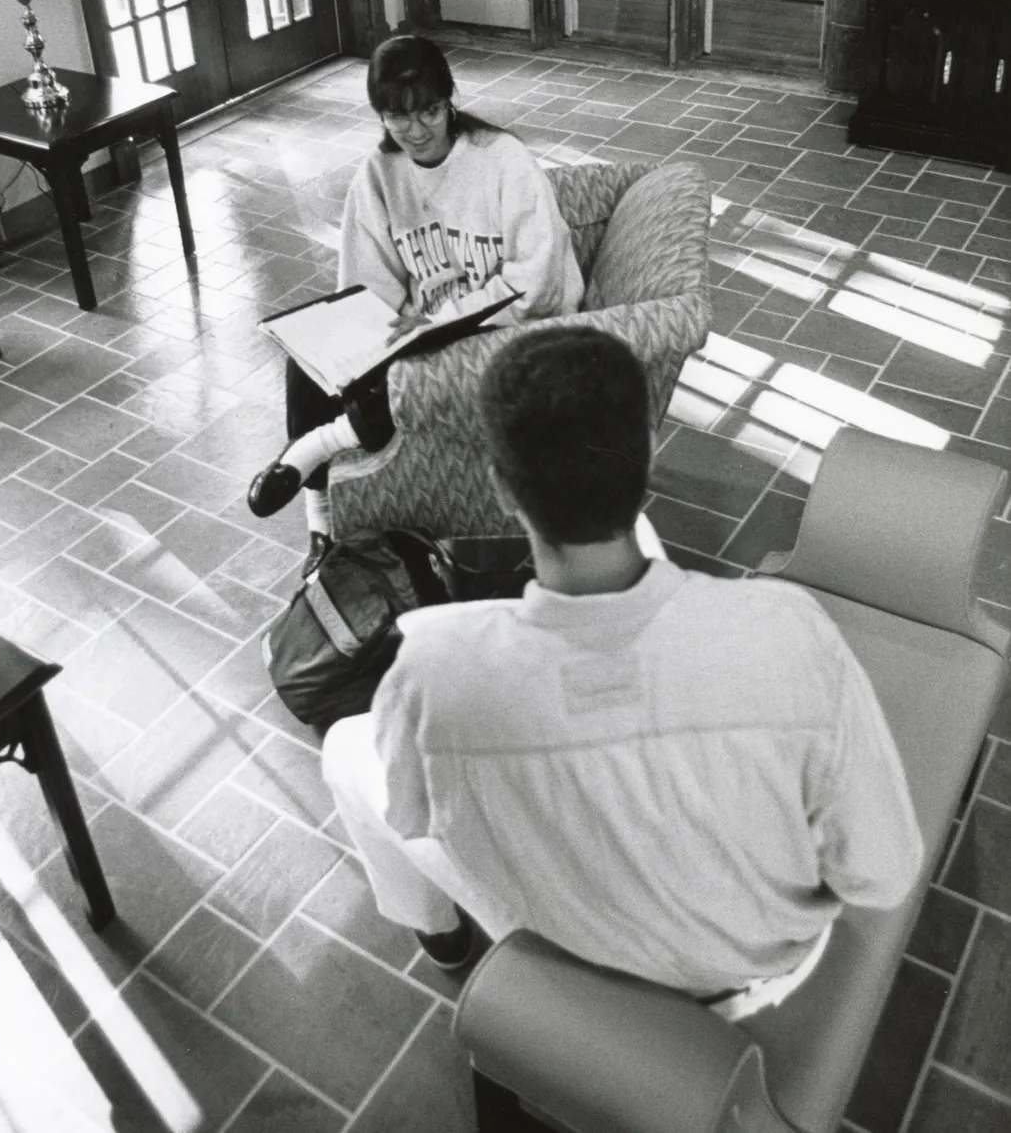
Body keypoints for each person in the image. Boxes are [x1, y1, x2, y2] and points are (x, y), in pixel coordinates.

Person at [321, 330, 923, 1015]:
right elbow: (882, 873)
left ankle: (441, 939)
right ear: (646, 470)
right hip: (760, 972)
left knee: (346, 746)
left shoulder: (431, 667)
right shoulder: (788, 630)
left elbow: (413, 815)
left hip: (567, 955)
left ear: (499, 488)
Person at [247, 35, 585, 573]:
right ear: (379, 116)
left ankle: (315, 447)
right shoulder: (378, 175)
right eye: (397, 116)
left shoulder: (503, 159)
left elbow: (538, 282)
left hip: (510, 325)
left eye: (429, 110)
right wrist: (368, 333)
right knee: (307, 366)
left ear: (451, 100)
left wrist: (437, 321)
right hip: (420, 328)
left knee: (427, 366)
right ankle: (320, 529)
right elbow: (367, 284)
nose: (417, 130)